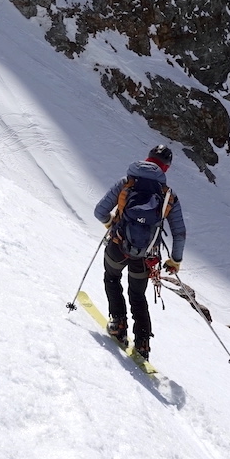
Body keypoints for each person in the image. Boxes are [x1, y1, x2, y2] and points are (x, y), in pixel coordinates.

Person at [92, 144, 187, 359]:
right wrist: (175, 260)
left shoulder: (126, 183)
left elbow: (100, 211)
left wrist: (110, 223)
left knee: (112, 278)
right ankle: (143, 342)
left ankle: (118, 323)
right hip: (146, 255)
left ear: (147, 158)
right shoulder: (168, 195)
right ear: (166, 168)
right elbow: (179, 233)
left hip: (118, 245)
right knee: (137, 294)